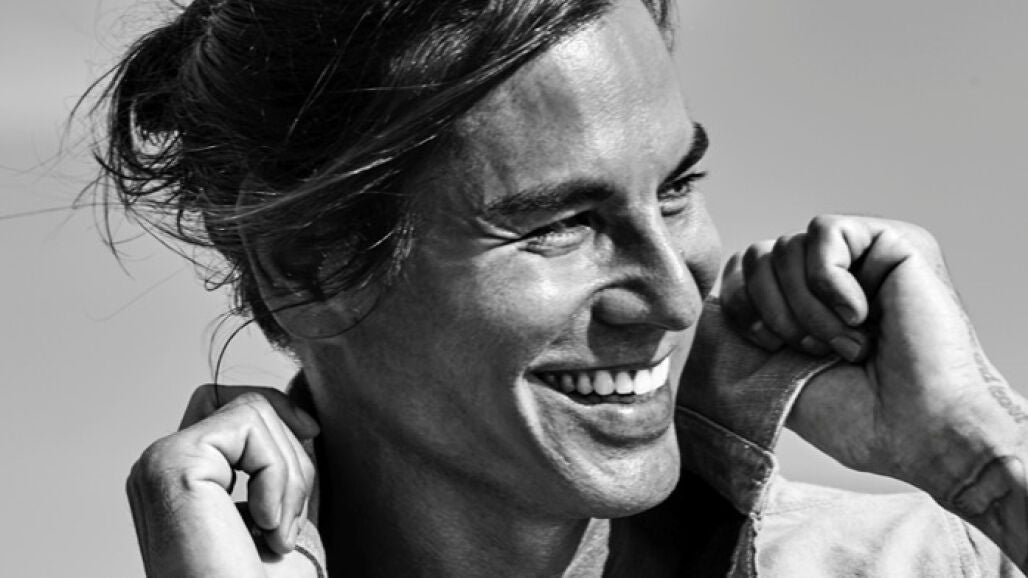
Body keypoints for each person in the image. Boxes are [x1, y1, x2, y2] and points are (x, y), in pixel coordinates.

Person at [92, 0, 1028, 575]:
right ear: (310, 266)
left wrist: (985, 466)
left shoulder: (924, 565)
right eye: (561, 223)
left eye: (676, 188)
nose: (675, 299)